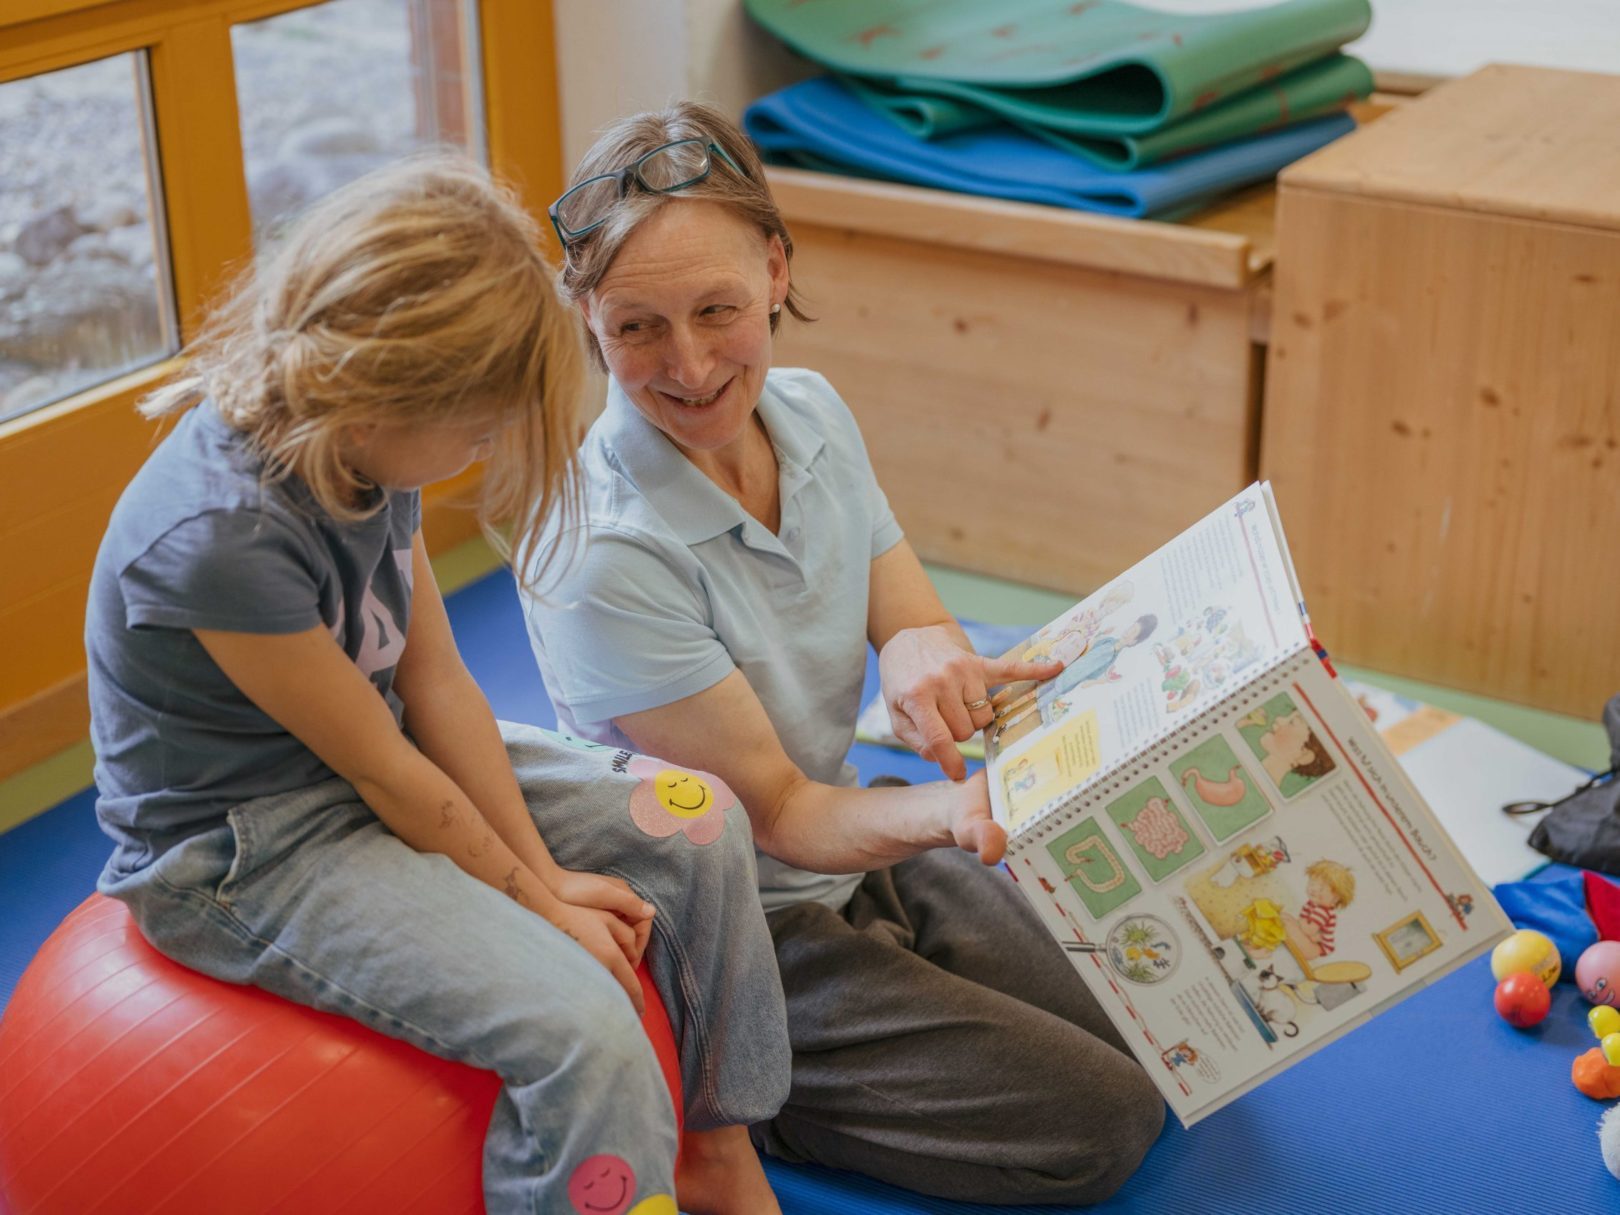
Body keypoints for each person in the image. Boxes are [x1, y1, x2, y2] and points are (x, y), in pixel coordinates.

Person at [85, 156, 788, 1215]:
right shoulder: (219, 539)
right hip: (245, 846)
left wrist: (543, 881)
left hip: (381, 762)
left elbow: (436, 684)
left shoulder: (367, 453)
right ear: (378, 391)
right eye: (475, 423)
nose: (484, 447)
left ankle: (717, 1155)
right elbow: (387, 777)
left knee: (696, 823)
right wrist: (539, 903)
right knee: (579, 1025)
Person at [522, 104, 1166, 1205]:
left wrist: (925, 661)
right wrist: (958, 813)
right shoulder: (596, 550)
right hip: (732, 937)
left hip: (858, 846)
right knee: (1105, 1123)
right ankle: (734, 1096)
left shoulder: (810, 411)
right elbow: (776, 816)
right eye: (636, 329)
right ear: (586, 316)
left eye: (718, 309)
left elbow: (911, 616)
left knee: (1166, 1023)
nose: (687, 366)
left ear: (776, 268)